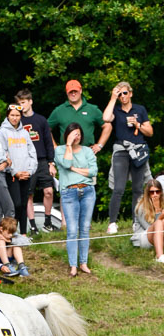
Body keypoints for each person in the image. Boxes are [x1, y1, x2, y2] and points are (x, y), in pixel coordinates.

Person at [102, 82, 153, 233]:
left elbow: (150, 132)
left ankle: (136, 222)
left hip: (138, 151)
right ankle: (112, 223)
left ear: (130, 93)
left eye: (125, 93)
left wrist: (138, 124)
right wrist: (112, 98)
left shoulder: (140, 109)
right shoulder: (115, 109)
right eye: (120, 94)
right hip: (121, 150)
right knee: (118, 188)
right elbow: (106, 118)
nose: (122, 96)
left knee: (138, 189)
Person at [54, 123, 98, 277]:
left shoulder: (87, 151)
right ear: (67, 135)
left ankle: (83, 263)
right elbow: (66, 163)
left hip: (88, 191)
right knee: (72, 230)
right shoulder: (60, 150)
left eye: (78, 134)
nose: (76, 137)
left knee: (85, 228)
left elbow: (93, 171)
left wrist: (74, 169)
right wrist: (68, 145)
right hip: (69, 192)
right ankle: (73, 265)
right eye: (73, 134)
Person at [15, 88, 57, 233]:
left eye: (23, 102)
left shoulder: (41, 120)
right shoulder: (18, 121)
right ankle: (33, 226)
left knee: (49, 191)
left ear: (30, 101)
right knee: (28, 194)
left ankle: (48, 222)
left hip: (42, 160)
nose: (21, 106)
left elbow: (48, 142)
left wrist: (51, 163)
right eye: (19, 103)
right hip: (26, 162)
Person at [0, 104, 37, 235]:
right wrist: (15, 172)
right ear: (7, 116)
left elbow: (32, 153)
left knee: (24, 204)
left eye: (17, 115)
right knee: (16, 204)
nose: (15, 118)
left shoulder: (25, 133)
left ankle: (23, 233)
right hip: (12, 175)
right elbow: (3, 154)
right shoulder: (2, 132)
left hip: (26, 174)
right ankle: (11, 233)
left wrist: (30, 171)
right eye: (12, 115)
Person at [48, 79, 112, 153]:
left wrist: (99, 145)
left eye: (75, 91)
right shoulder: (59, 110)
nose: (73, 94)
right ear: (66, 93)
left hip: (87, 152)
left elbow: (108, 126)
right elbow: (46, 128)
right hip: (66, 152)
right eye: (71, 92)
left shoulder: (92, 109)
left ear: (81, 91)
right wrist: (54, 147)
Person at [131, 180, 164, 262]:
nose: (155, 194)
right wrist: (159, 214)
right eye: (152, 192)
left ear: (161, 192)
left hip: (159, 234)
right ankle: (159, 256)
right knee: (159, 222)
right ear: (147, 193)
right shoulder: (140, 207)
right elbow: (152, 229)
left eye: (157, 191)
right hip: (144, 237)